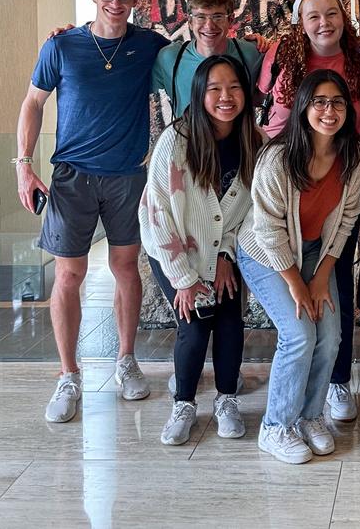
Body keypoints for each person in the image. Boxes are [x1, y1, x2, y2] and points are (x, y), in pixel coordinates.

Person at [14, 0, 168, 423]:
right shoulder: (61, 45)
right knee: (68, 275)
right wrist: (23, 165)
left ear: (136, 0)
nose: (116, 3)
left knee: (126, 268)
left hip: (127, 175)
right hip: (72, 177)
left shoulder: (150, 46)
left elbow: (195, 61)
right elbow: (33, 102)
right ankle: (68, 374)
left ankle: (126, 360)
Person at [257, 0, 360, 422]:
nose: (324, 23)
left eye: (332, 13)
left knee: (336, 285)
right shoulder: (280, 56)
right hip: (286, 176)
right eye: (313, 16)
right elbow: (260, 102)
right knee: (296, 309)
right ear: (300, 23)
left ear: (344, 17)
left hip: (340, 175)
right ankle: (287, 403)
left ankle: (338, 381)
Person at [237, 70, 360, 464]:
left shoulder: (352, 155)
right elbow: (268, 229)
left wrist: (322, 276)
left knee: (331, 335)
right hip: (264, 253)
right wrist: (296, 283)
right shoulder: (277, 157)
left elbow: (347, 219)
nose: (329, 111)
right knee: (299, 334)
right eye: (319, 102)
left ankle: (309, 416)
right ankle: (276, 426)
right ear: (303, 107)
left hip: (314, 253)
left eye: (337, 102)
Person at [139, 54, 262, 446]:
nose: (226, 97)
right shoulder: (175, 142)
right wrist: (184, 279)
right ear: (199, 93)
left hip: (223, 251)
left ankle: (226, 400)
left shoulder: (254, 142)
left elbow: (250, 211)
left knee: (229, 321)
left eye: (234, 87)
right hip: (173, 249)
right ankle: (184, 404)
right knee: (194, 324)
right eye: (215, 89)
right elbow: (158, 215)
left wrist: (227, 255)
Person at [151, 0, 262, 124]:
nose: (209, 25)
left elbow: (267, 96)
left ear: (230, 20)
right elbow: (134, 91)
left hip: (239, 137)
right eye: (201, 17)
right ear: (190, 21)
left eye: (218, 17)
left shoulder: (251, 53)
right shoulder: (170, 58)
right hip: (187, 136)